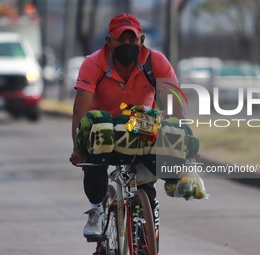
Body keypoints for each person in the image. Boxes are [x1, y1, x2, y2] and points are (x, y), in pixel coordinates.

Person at [69, 13, 187, 242]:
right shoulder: (93, 63)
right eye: (120, 40)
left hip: (138, 125)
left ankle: (147, 231)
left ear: (141, 40)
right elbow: (79, 109)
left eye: (132, 40)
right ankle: (96, 210)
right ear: (109, 41)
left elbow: (174, 105)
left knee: (148, 183)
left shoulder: (156, 62)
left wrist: (184, 141)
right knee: (96, 153)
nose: (127, 45)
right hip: (103, 127)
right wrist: (78, 147)